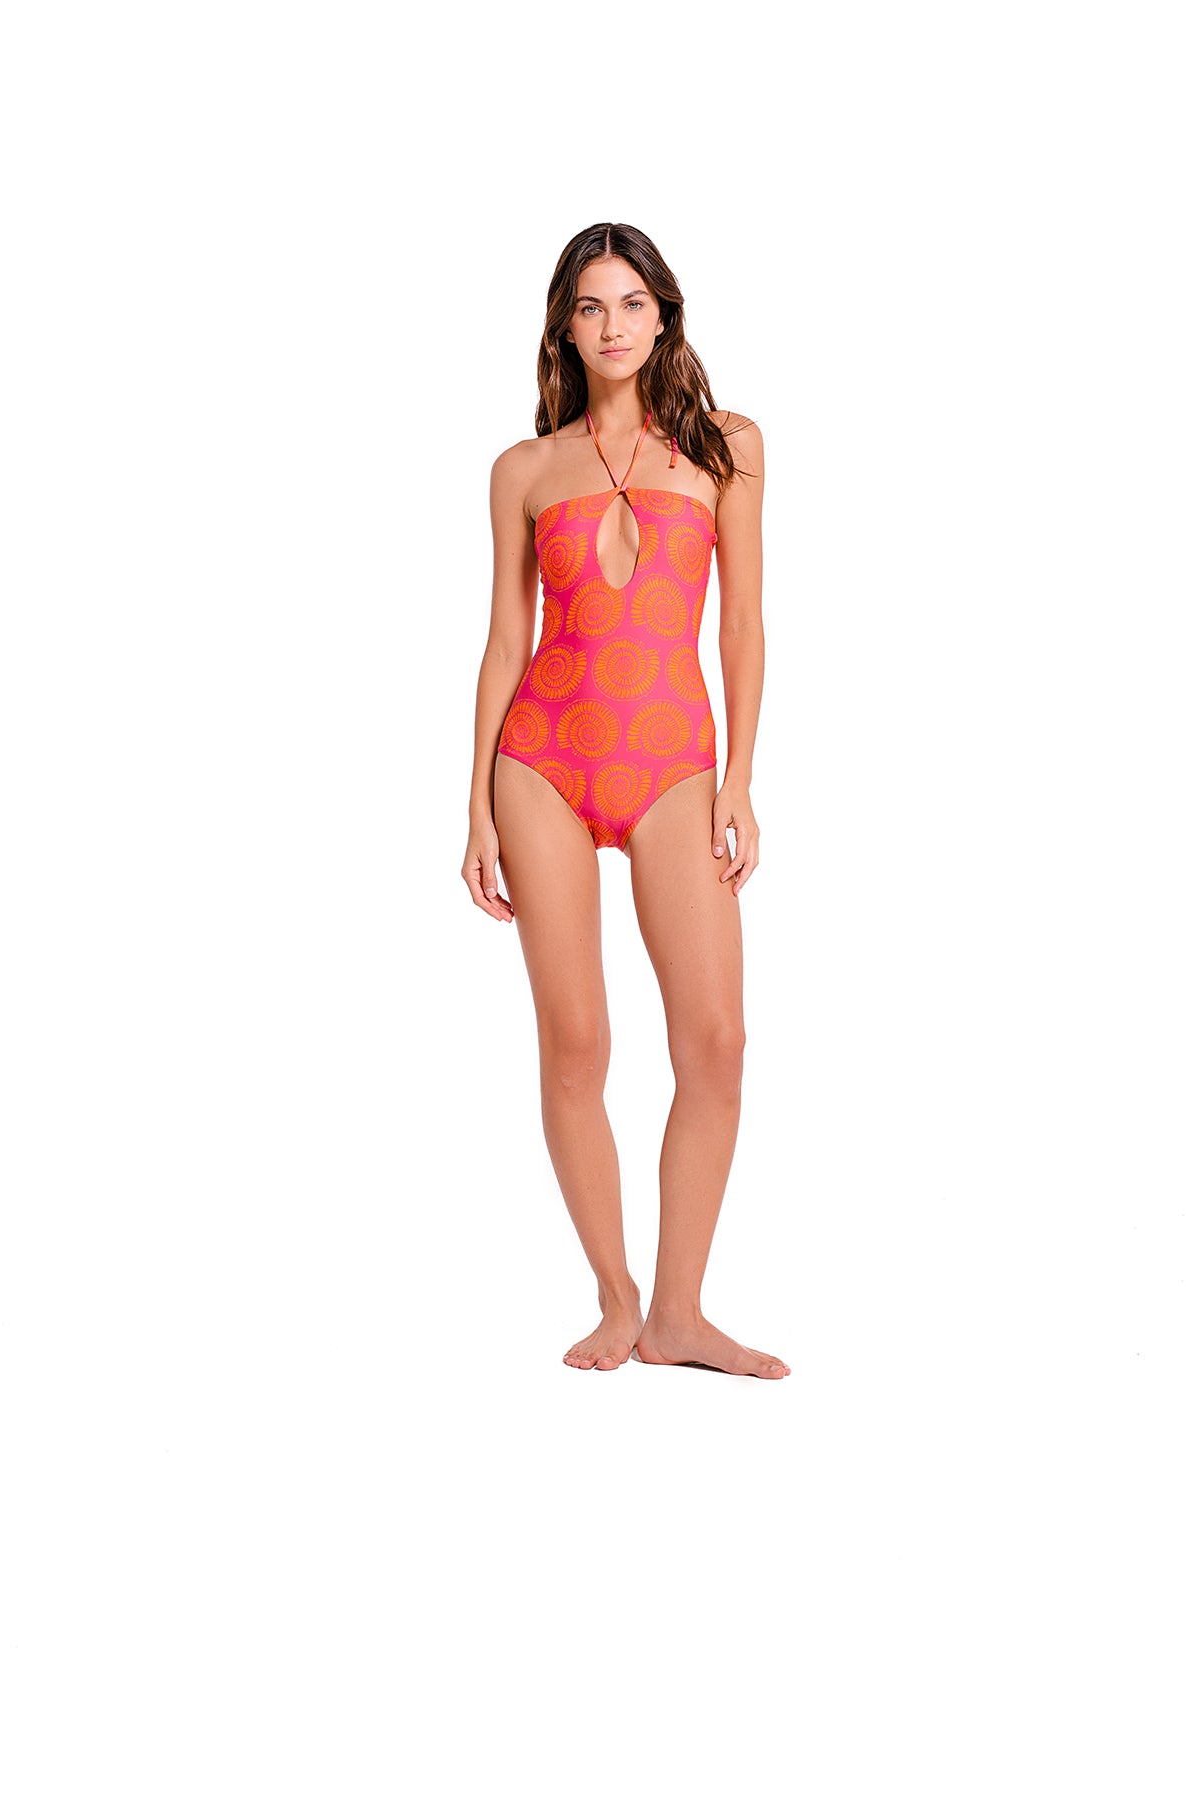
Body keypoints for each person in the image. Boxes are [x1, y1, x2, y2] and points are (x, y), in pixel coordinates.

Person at [461, 222, 788, 1380]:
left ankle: (681, 1313)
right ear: (565, 324)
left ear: (664, 315)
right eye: (592, 306)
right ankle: (616, 1296)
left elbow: (742, 626)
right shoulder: (523, 469)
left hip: (674, 770)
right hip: (540, 762)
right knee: (577, 1042)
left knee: (717, 1042)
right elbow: (507, 643)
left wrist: (740, 778)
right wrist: (475, 808)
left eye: (633, 303)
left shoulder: (727, 447)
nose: (613, 325)